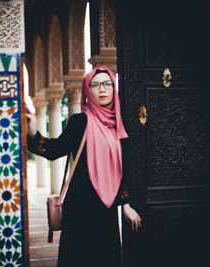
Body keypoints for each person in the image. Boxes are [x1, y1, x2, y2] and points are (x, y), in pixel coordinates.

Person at [26, 66, 141, 267]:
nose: (102, 89)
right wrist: (33, 133)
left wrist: (126, 205)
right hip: (79, 207)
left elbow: (122, 170)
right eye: (95, 85)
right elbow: (54, 150)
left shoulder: (119, 125)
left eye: (107, 84)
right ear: (88, 90)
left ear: (114, 88)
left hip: (106, 210)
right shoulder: (80, 122)